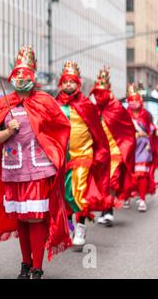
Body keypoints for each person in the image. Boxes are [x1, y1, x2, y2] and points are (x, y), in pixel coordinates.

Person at [0, 45, 71, 279]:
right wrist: (7, 132)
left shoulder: (46, 101)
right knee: (21, 217)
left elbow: (62, 128)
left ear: (33, 76)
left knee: (35, 216)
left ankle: (37, 267)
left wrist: (55, 154)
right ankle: (25, 264)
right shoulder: (1, 104)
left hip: (39, 169)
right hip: (12, 171)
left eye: (25, 73)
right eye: (16, 74)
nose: (20, 78)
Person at [56, 61, 112, 248]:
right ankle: (71, 224)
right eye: (65, 82)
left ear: (78, 83)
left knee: (80, 192)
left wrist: (100, 154)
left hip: (83, 155)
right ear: (61, 84)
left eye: (72, 81)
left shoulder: (86, 105)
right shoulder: (55, 104)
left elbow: (97, 131)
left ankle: (80, 226)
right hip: (63, 157)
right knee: (66, 195)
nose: (68, 85)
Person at [89, 67, 136, 226]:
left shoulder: (116, 108)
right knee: (100, 182)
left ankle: (108, 210)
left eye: (102, 93)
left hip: (115, 150)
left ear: (109, 92)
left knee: (112, 181)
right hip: (99, 153)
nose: (99, 96)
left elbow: (128, 129)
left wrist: (126, 149)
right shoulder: (93, 110)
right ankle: (104, 209)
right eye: (97, 93)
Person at [126, 85, 158, 212]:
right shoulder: (125, 115)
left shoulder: (146, 114)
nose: (134, 102)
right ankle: (127, 195)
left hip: (144, 147)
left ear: (140, 101)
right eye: (131, 100)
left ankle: (142, 199)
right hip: (129, 147)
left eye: (136, 99)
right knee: (128, 173)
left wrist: (154, 132)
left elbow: (150, 127)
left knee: (142, 174)